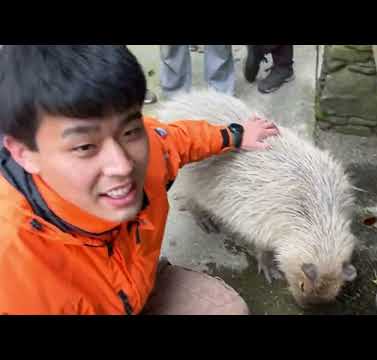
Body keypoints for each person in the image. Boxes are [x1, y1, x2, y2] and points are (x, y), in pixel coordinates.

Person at [0, 45, 279, 315]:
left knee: (229, 310)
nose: (122, 165)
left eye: (130, 130)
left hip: (136, 287)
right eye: (84, 146)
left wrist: (235, 134)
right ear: (24, 154)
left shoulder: (151, 149)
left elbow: (180, 139)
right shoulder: (13, 266)